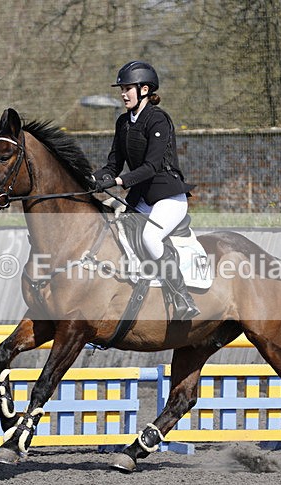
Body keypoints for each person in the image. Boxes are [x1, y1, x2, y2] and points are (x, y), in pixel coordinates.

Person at [92, 60, 200, 321]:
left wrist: (118, 183)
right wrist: (95, 178)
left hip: (168, 197)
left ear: (144, 89)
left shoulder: (158, 119)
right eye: (122, 88)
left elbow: (152, 166)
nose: (122, 93)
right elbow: (113, 164)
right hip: (141, 198)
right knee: (117, 233)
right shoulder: (123, 123)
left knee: (151, 238)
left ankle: (182, 296)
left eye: (127, 88)